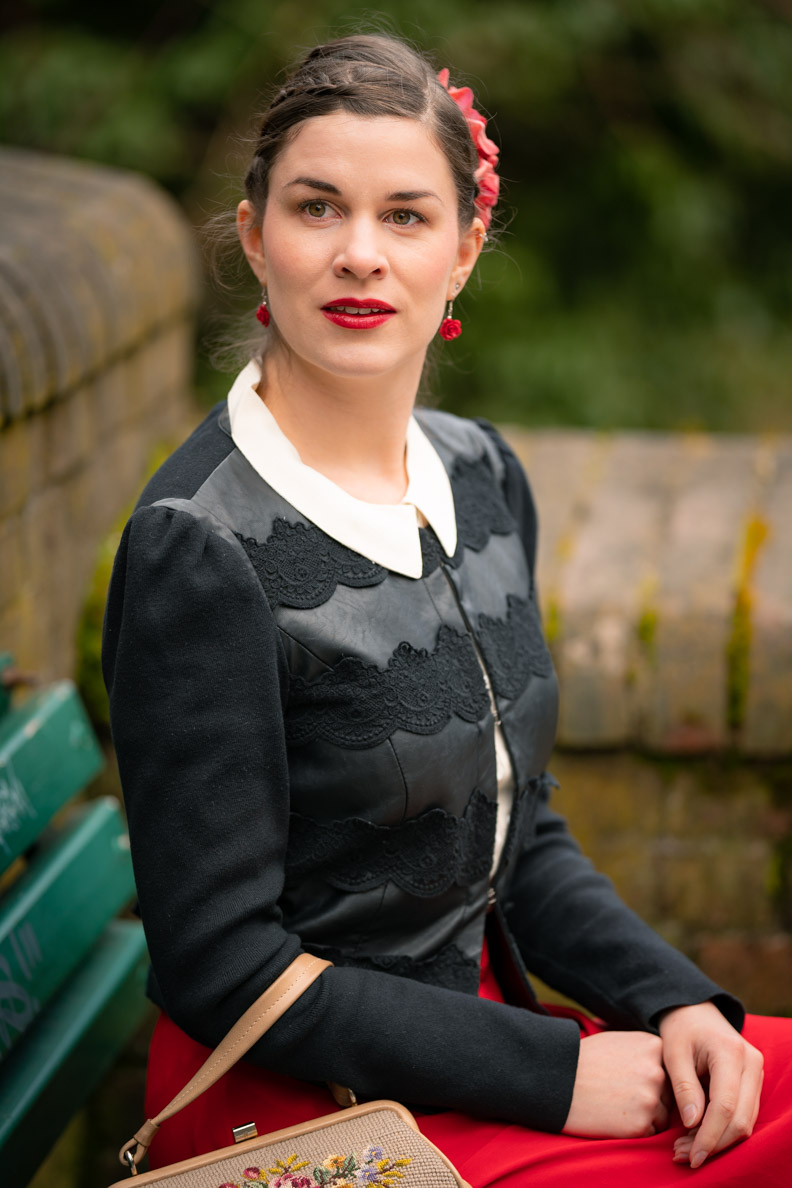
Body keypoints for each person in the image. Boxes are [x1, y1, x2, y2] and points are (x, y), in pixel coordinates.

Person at [101, 32, 792, 1187]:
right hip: (295, 1107)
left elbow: (522, 840)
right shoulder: (197, 549)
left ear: (465, 252)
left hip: (470, 1039)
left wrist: (671, 997)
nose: (359, 255)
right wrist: (554, 1072)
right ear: (255, 237)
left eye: (407, 217)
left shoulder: (478, 475)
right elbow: (223, 967)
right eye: (318, 209)